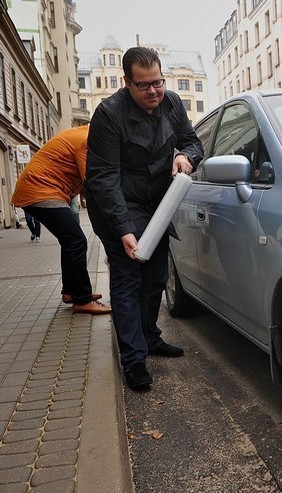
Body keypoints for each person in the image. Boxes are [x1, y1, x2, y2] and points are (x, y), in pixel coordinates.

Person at [85, 47, 204, 390]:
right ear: (127, 82)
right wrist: (122, 229)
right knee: (127, 279)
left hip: (157, 201)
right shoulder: (108, 115)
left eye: (158, 82)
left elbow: (192, 141)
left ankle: (151, 337)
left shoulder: (172, 103)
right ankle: (134, 360)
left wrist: (185, 156)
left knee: (155, 276)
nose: (154, 91)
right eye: (144, 86)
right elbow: (103, 178)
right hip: (118, 203)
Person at [11, 125, 110, 315]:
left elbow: (84, 185)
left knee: (70, 241)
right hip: (41, 190)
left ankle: (71, 292)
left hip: (42, 189)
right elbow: (92, 183)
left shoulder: (88, 134)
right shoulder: (88, 141)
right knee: (76, 240)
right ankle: (82, 300)